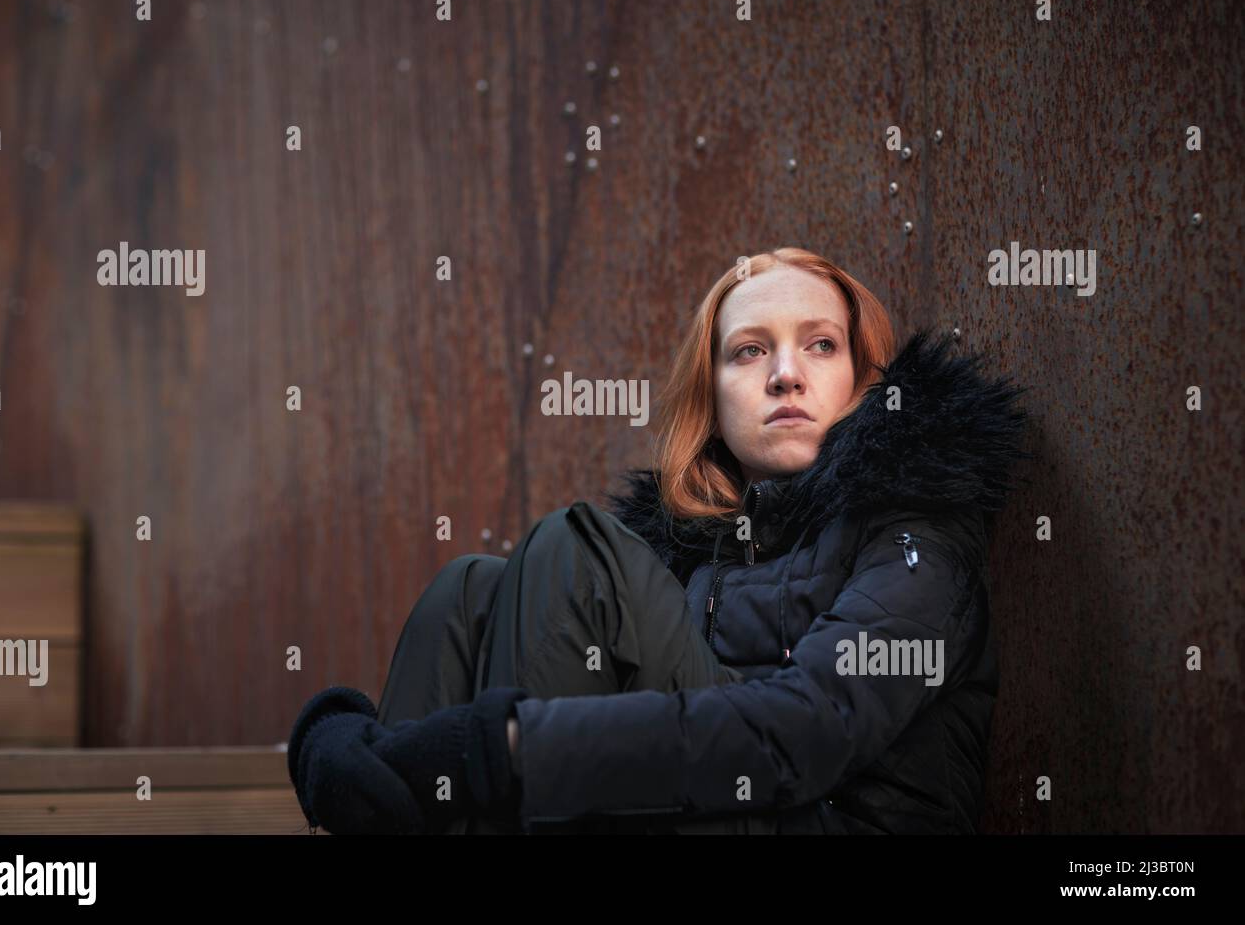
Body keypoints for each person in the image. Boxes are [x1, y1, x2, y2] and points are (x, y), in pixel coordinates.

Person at [286, 247, 1033, 834]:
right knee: (470, 589)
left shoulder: (915, 534)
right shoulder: (687, 564)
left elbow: (801, 731)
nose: (784, 374)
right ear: (712, 401)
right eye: (748, 351)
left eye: (820, 345)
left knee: (574, 549)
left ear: (865, 380)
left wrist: (505, 747)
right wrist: (339, 745)